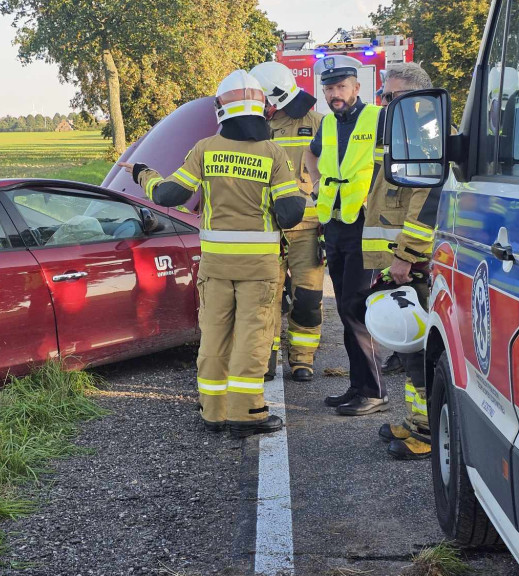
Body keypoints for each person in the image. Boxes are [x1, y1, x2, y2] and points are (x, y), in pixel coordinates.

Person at [118, 69, 305, 438]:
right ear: (263, 110)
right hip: (259, 269)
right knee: (252, 336)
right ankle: (247, 413)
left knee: (214, 335)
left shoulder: (205, 149)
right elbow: (290, 213)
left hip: (216, 266)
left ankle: (213, 411)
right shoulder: (273, 153)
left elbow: (168, 195)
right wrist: (295, 193)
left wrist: (143, 173)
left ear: (221, 109)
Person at [364, 63, 443, 459]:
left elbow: (424, 207)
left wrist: (406, 258)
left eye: (392, 96)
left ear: (416, 99)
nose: (384, 102)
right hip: (396, 259)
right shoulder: (409, 135)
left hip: (410, 264)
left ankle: (429, 433)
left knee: (417, 348)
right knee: (410, 350)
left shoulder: (426, 141)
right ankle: (417, 421)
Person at [302, 55, 386, 416]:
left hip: (365, 227)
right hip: (336, 224)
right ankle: (357, 387)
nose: (335, 93)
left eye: (341, 87)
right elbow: (311, 153)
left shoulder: (377, 119)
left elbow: (390, 165)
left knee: (357, 309)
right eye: (329, 88)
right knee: (346, 307)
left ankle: (375, 392)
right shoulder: (329, 124)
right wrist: (317, 183)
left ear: (356, 87)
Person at [250, 61, 325, 383]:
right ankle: (265, 357)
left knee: (308, 298)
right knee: (267, 298)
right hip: (265, 227)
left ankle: (303, 358)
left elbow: (336, 174)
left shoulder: (320, 123)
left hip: (308, 229)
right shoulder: (249, 126)